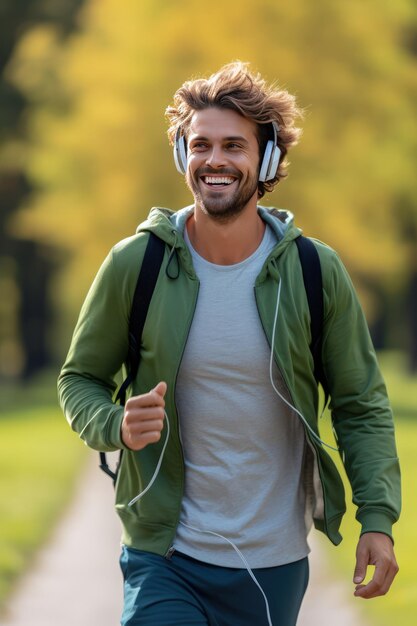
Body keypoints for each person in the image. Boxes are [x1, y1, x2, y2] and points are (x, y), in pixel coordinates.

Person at [58, 61, 401, 626]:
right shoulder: (135, 264)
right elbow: (80, 380)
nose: (214, 160)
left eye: (234, 146)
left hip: (272, 565)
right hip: (163, 553)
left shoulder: (314, 273)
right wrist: (115, 423)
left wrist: (378, 520)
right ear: (181, 156)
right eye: (200, 144)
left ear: (266, 160)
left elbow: (360, 404)